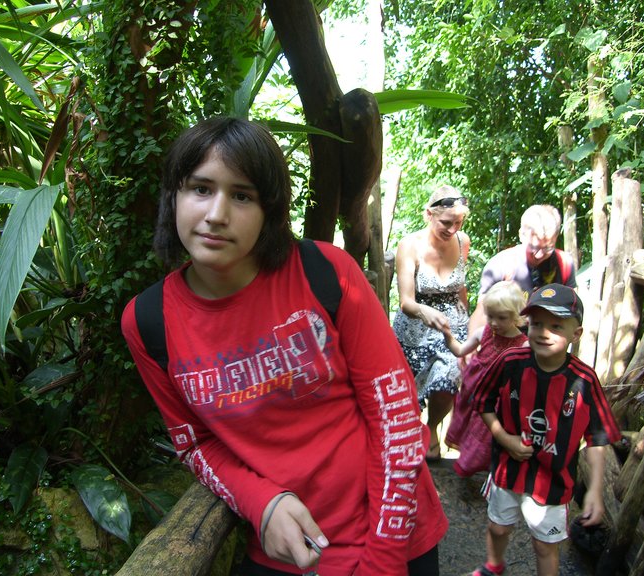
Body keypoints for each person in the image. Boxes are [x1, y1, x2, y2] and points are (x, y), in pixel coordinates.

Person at [121, 117, 447, 576]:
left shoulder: (326, 272)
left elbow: (394, 419)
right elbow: (196, 444)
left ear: (269, 210)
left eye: (242, 195)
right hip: (282, 551)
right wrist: (261, 503)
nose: (216, 214)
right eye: (200, 188)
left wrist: (384, 559)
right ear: (173, 195)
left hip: (392, 536)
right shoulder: (147, 321)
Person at [466, 284, 621, 576]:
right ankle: (493, 566)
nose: (542, 332)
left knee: (545, 546)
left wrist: (596, 491)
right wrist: (503, 437)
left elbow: (597, 439)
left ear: (576, 334)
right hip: (506, 470)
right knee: (498, 527)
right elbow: (483, 401)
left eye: (556, 325)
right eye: (536, 323)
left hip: (553, 480)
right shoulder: (511, 362)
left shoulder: (584, 381)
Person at [392, 186, 471, 462]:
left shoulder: (463, 242)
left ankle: (433, 426)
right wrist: (425, 312)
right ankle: (411, 432)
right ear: (429, 214)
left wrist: (468, 324)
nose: (452, 229)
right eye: (446, 223)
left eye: (458, 223)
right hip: (416, 322)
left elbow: (460, 286)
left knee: (448, 377)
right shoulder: (409, 245)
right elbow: (406, 301)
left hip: (452, 324)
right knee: (408, 388)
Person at [441, 281, 528, 478]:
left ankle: (482, 467)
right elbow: (461, 350)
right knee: (470, 429)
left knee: (486, 435)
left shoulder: (523, 346)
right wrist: (448, 336)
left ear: (516, 316)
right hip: (473, 393)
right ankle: (472, 465)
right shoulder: (484, 333)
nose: (494, 322)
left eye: (501, 318)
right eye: (490, 316)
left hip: (495, 400)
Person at [467, 204, 576, 337]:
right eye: (533, 247)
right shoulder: (501, 265)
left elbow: (572, 310)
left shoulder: (564, 264)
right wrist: (472, 348)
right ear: (521, 235)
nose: (539, 255)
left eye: (547, 248)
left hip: (547, 344)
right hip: (508, 345)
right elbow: (483, 311)